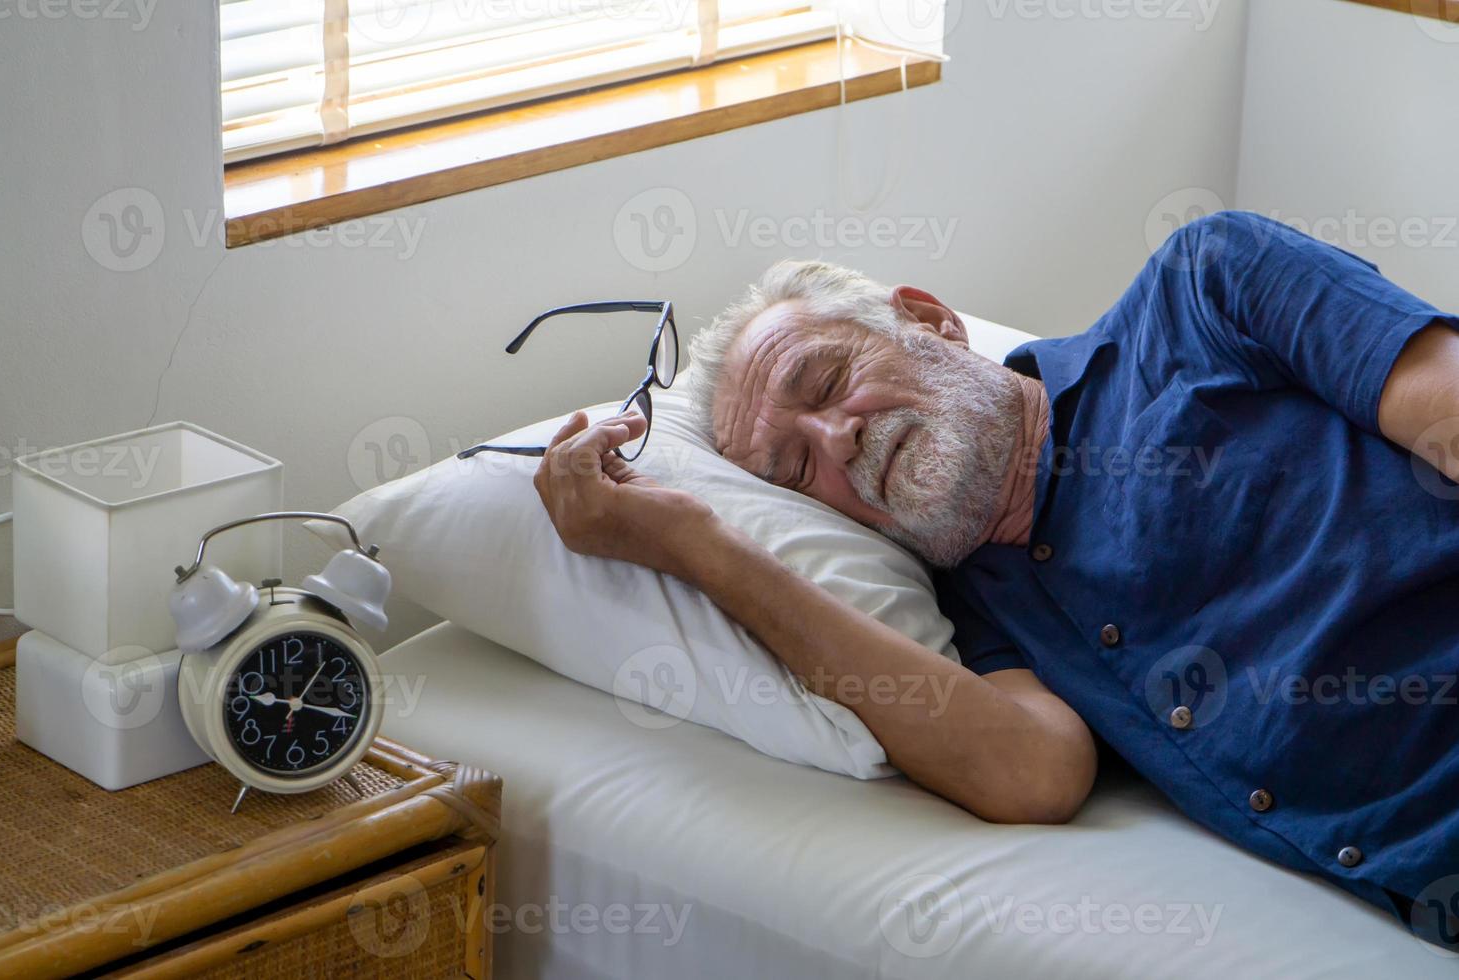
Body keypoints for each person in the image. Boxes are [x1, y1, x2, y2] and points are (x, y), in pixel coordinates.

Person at [529, 211, 1459, 943]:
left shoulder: (1205, 287)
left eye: (825, 382)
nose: (836, 440)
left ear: (932, 321)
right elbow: (1032, 773)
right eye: (794, 471)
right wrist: (697, 547)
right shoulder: (979, 613)